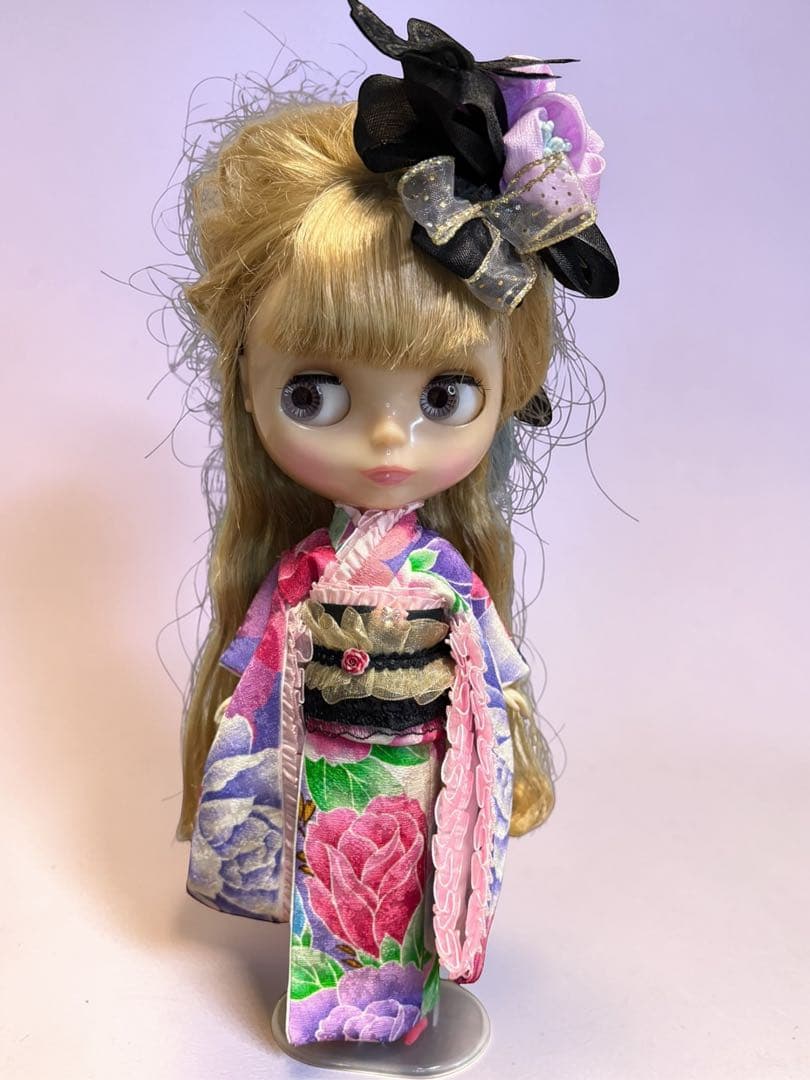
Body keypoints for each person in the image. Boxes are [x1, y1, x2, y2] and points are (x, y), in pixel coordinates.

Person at [167, 0, 618, 1050]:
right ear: (248, 384)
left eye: (442, 396)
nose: (385, 440)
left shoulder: (443, 573)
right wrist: (247, 742)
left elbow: (491, 672)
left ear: (511, 384)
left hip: (419, 769)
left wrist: (498, 730)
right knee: (335, 885)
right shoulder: (308, 571)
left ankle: (402, 1008)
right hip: (328, 766)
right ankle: (329, 1009)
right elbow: (258, 673)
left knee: (410, 882)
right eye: (314, 394)